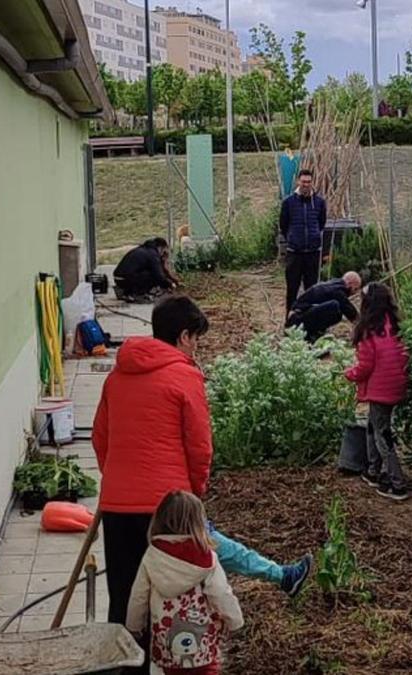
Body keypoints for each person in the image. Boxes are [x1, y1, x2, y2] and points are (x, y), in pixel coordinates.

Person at [93, 296, 313, 629]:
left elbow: (100, 438)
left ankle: (123, 662)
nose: (196, 347)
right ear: (184, 336)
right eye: (196, 339)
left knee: (124, 593)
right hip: (167, 504)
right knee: (196, 565)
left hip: (117, 503)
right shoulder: (184, 376)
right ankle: (280, 576)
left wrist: (116, 481)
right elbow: (199, 446)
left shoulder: (116, 376)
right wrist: (193, 494)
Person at [126, 491, 243, 675]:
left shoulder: (153, 556)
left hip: (167, 645)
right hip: (203, 643)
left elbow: (138, 596)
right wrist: (235, 620)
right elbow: (221, 593)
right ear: (198, 522)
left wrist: (134, 626)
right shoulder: (206, 557)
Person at [344, 282, 410, 501]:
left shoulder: (368, 331)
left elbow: (365, 366)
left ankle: (397, 483)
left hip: (381, 389)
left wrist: (349, 374)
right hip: (396, 385)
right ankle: (373, 471)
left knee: (383, 435)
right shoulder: (395, 325)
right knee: (374, 425)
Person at [279, 169, 327, 312]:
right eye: (303, 181)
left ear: (312, 183)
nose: (306, 184)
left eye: (309, 182)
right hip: (295, 253)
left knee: (312, 290)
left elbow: (321, 222)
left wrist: (314, 237)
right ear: (298, 182)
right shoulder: (288, 202)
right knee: (292, 289)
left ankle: (310, 320)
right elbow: (283, 224)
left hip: (313, 253)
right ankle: (290, 321)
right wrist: (292, 238)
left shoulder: (319, 202)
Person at [285, 272, 361, 343]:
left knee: (337, 311)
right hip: (297, 321)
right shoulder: (337, 291)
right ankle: (310, 335)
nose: (354, 292)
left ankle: (314, 332)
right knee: (334, 307)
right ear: (349, 283)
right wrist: (362, 324)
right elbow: (350, 312)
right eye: (355, 289)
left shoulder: (334, 285)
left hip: (299, 316)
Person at [114, 237, 177, 302]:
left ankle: (129, 293)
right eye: (164, 251)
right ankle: (138, 294)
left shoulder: (143, 250)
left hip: (118, 278)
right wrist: (170, 285)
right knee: (153, 276)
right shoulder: (153, 255)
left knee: (145, 273)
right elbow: (159, 276)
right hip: (126, 280)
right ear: (160, 248)